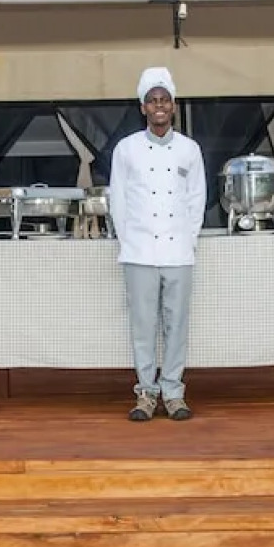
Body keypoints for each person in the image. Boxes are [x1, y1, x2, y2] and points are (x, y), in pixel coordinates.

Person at [108, 66, 207, 422]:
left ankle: (174, 393)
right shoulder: (126, 149)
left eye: (165, 100)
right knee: (143, 326)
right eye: (153, 100)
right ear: (143, 107)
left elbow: (196, 199)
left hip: (178, 251)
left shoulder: (189, 149)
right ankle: (147, 393)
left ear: (174, 106)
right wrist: (129, 239)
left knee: (176, 325)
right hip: (138, 250)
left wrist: (188, 239)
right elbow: (118, 200)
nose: (159, 106)